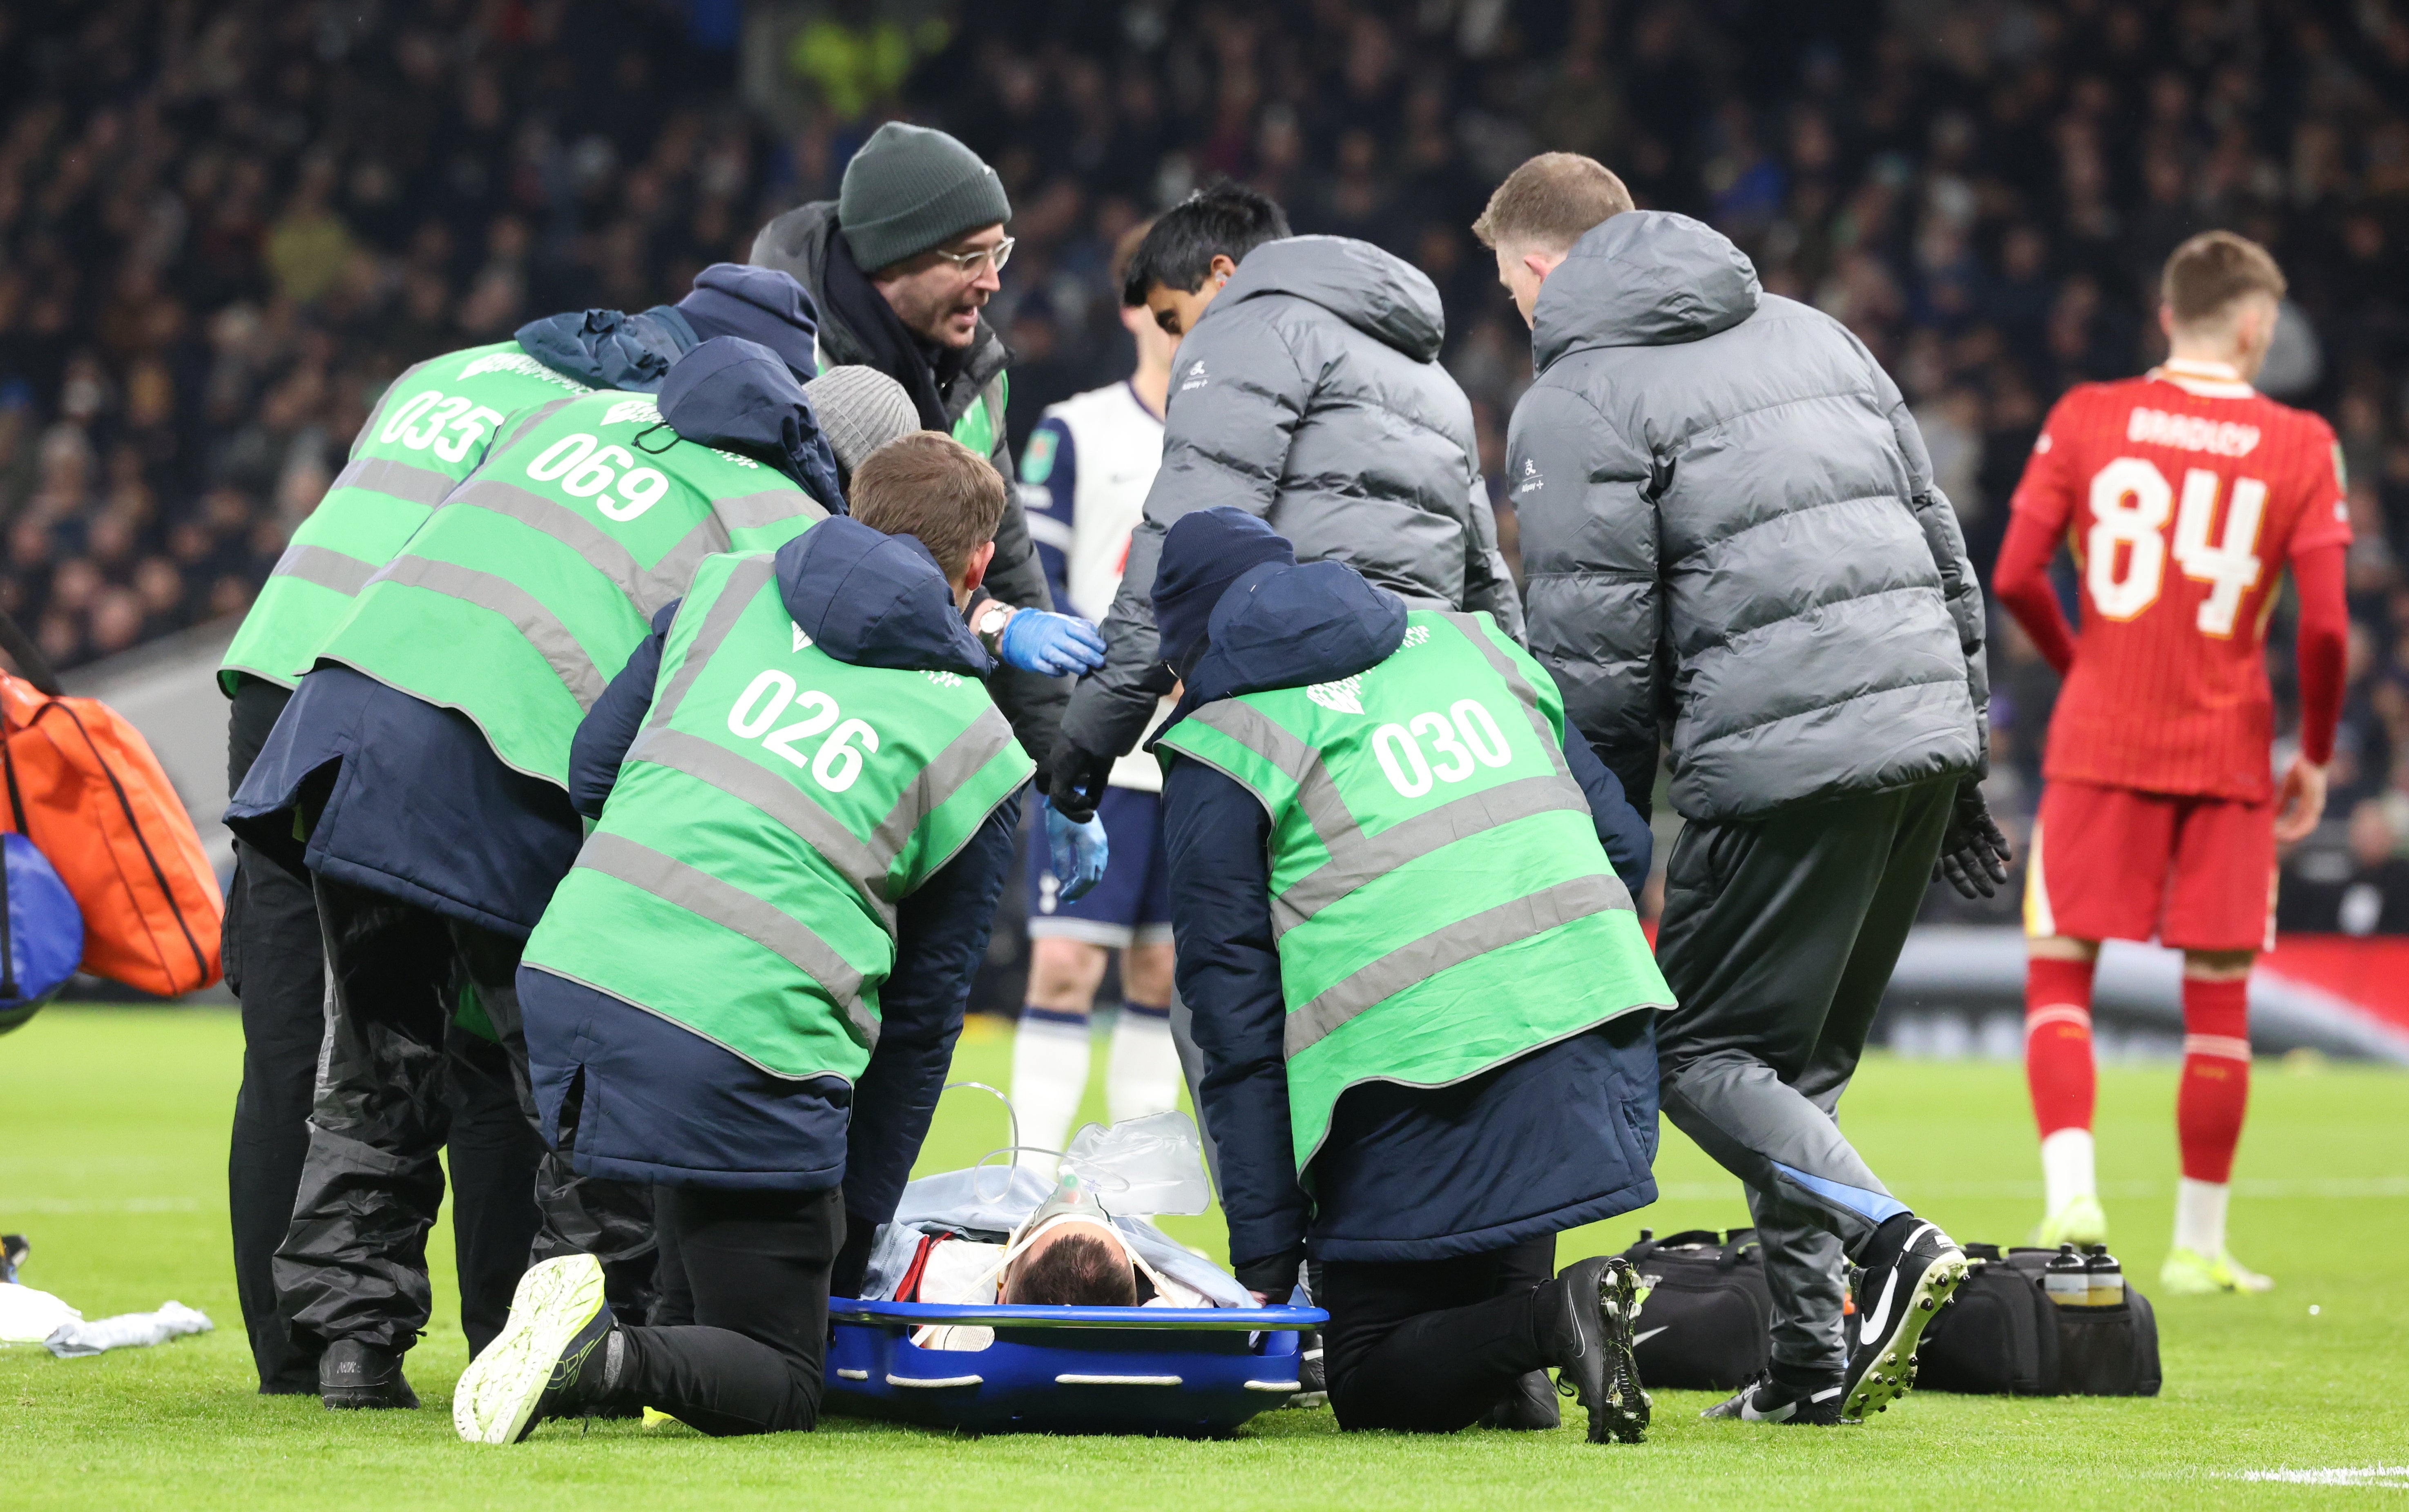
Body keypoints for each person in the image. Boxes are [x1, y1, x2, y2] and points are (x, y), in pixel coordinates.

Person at [225, 327, 851, 1410]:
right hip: (502, 763)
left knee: (379, 1061)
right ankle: (584, 1346)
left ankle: (350, 1345)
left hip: (345, 732)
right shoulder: (777, 516)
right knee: (573, 1081)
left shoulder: (571, 419)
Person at [1482, 152, 1997, 1426]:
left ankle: (1889, 1236)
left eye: (1506, 288)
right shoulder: (1817, 334)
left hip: (1775, 757)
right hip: (1920, 728)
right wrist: (1967, 757)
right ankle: (1811, 1365)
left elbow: (1595, 653)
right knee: (1789, 1068)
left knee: (1696, 1047)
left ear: (1542, 269)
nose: (1512, 313)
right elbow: (1941, 546)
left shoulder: (1577, 394)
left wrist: (1594, 842)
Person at [451, 434, 1034, 1444]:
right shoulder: (977, 741)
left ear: (850, 511)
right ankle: (603, 1353)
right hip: (745, 1028)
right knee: (779, 1372)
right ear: (978, 568)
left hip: (579, 974)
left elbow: (595, 765)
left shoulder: (722, 593)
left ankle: (612, 1341)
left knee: (703, 1269)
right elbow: (924, 1021)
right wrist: (852, 1218)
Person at [1148, 506, 1667, 1444]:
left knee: (1369, 1376)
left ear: (1191, 650)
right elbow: (1625, 844)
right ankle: (1522, 1359)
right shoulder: (1475, 641)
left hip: (1413, 1066)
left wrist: (1267, 1262)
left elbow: (1234, 1020)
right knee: (1469, 1312)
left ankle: (1558, 1320)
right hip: (1585, 1033)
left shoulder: (1225, 739)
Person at [1992, 230, 2350, 1294]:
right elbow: (2326, 630)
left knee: (2061, 973)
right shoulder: (2300, 442)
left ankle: (2070, 1193)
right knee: (2220, 999)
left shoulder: (2085, 416)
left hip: (2098, 737)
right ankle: (2198, 1241)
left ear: (2165, 317)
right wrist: (2318, 754)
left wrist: (2083, 659)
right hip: (2228, 746)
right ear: (2253, 327)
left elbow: (2014, 573)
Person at [1046, 182, 1520, 824]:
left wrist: (1086, 740)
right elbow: (1484, 573)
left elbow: (1178, 541)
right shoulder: (1434, 379)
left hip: (1306, 718)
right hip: (1425, 723)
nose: (1175, 343)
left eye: (1170, 317)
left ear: (1220, 276)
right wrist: (1527, 712)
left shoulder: (1244, 330)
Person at [750, 121, 1077, 786]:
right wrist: (986, 621)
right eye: (967, 258)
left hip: (896, 725)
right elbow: (804, 570)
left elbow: (1007, 560)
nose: (991, 283)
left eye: (999, 253)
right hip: (777, 722)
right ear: (891, 258)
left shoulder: (975, 371)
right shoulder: (784, 366)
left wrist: (1059, 771)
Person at [1009, 222, 1186, 1171]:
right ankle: (1029, 1179)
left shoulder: (1236, 442)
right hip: (1104, 740)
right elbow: (1039, 580)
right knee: (1068, 962)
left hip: (1193, 747)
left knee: (1160, 973)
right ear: (1133, 306)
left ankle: (1134, 1202)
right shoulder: (1078, 430)